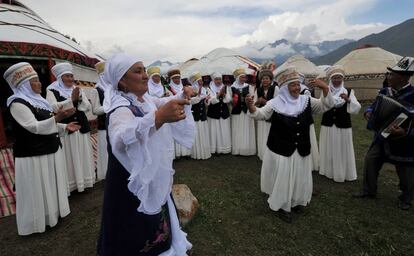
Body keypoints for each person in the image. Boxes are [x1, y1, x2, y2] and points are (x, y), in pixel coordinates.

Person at [97, 53, 195, 255]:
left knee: (158, 221)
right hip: (129, 183)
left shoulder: (143, 99)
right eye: (138, 71)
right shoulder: (120, 107)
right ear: (122, 80)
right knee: (135, 232)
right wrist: (158, 119)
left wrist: (182, 97)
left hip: (149, 175)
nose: (145, 75)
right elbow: (121, 138)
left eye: (144, 70)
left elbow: (160, 102)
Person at [246, 66, 334, 223]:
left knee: (300, 175)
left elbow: (324, 106)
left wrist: (325, 88)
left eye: (298, 85)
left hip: (301, 147)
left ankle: (297, 201)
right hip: (281, 148)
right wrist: (251, 106)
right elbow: (260, 115)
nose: (297, 88)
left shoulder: (306, 100)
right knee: (284, 177)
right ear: (285, 88)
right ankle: (282, 205)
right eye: (293, 85)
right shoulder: (275, 103)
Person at [4, 62, 80, 235]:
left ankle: (51, 215)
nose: (40, 83)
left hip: (48, 149)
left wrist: (64, 127)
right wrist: (58, 118)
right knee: (37, 187)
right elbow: (34, 127)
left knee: (49, 183)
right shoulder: (17, 103)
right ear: (25, 84)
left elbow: (49, 116)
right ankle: (37, 222)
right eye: (36, 80)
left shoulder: (40, 101)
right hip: (33, 154)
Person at [353, 57, 414, 210]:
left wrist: (405, 131)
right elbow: (374, 106)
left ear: (403, 77)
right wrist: (368, 112)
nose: (388, 77)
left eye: (392, 74)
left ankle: (406, 198)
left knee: (406, 170)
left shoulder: (413, 95)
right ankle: (369, 191)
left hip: (403, 140)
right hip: (382, 135)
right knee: (371, 160)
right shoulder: (384, 91)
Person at [46, 62, 95, 192]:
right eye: (67, 76)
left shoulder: (77, 88)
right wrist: (70, 101)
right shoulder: (51, 90)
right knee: (70, 156)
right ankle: (73, 185)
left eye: (71, 76)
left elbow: (87, 107)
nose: (70, 79)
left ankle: (85, 182)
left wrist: (79, 99)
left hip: (81, 126)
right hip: (67, 128)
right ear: (60, 77)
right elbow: (52, 107)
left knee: (82, 153)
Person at [319, 65, 361, 182]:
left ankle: (342, 172)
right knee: (329, 147)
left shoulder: (348, 91)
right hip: (328, 124)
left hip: (342, 125)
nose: (337, 80)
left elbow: (357, 108)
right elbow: (322, 104)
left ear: (342, 79)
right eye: (334, 78)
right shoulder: (326, 90)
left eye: (339, 78)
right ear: (330, 79)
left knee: (342, 148)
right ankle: (328, 170)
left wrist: (348, 100)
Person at [231, 68, 256, 156]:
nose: (244, 79)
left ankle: (246, 149)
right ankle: (237, 149)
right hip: (237, 112)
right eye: (242, 77)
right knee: (237, 129)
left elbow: (252, 98)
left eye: (244, 77)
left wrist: (249, 99)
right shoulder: (232, 87)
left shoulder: (248, 86)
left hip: (246, 111)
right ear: (237, 78)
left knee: (246, 128)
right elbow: (230, 100)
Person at [254, 69, 279, 160]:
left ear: (271, 80)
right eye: (263, 78)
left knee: (270, 135)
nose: (265, 80)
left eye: (267, 78)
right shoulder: (258, 90)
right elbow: (254, 103)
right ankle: (263, 153)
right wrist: (257, 102)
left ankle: (271, 155)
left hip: (272, 117)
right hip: (262, 116)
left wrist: (265, 102)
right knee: (262, 134)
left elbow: (278, 103)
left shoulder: (275, 88)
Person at [168, 68, 191, 158]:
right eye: (175, 78)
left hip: (185, 110)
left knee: (184, 130)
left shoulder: (184, 88)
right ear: (172, 79)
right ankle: (177, 153)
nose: (177, 80)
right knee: (176, 130)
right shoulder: (169, 88)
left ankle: (186, 152)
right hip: (175, 111)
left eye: (178, 78)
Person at [207, 72, 232, 154]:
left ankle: (224, 148)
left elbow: (228, 100)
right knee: (215, 131)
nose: (218, 81)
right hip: (213, 113)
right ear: (213, 80)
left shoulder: (225, 87)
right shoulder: (209, 88)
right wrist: (218, 95)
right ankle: (215, 149)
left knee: (224, 131)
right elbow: (211, 101)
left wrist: (224, 95)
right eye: (216, 79)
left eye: (220, 79)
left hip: (224, 113)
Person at [298, 73, 319, 171]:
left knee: (307, 140)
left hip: (305, 120)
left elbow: (309, 107)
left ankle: (310, 163)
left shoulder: (305, 91)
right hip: (297, 121)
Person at [189, 72, 211, 160]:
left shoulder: (205, 90)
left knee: (203, 133)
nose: (201, 82)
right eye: (199, 81)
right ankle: (196, 153)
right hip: (195, 117)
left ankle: (204, 152)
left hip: (203, 117)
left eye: (201, 81)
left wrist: (206, 100)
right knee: (196, 135)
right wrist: (200, 96)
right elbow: (191, 102)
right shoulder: (191, 91)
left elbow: (206, 105)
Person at [94, 61, 108, 180]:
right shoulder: (96, 90)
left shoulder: (114, 88)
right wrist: (109, 107)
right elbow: (95, 110)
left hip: (115, 123)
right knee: (106, 150)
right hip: (104, 125)